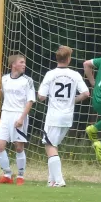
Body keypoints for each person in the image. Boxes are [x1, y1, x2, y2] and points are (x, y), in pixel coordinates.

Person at [38, 46, 90, 187]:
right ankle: (51, 180)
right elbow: (86, 93)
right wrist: (72, 100)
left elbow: (41, 97)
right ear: (68, 59)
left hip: (54, 116)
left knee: (49, 145)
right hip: (67, 117)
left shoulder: (50, 74)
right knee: (53, 145)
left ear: (57, 58)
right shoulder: (75, 75)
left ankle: (59, 180)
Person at [0, 54, 35, 185]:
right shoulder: (4, 79)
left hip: (18, 114)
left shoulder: (27, 80)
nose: (24, 65)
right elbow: (4, 93)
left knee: (19, 147)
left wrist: (22, 118)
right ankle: (7, 175)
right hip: (5, 115)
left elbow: (30, 101)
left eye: (24, 62)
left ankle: (20, 176)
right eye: (21, 62)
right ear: (13, 64)